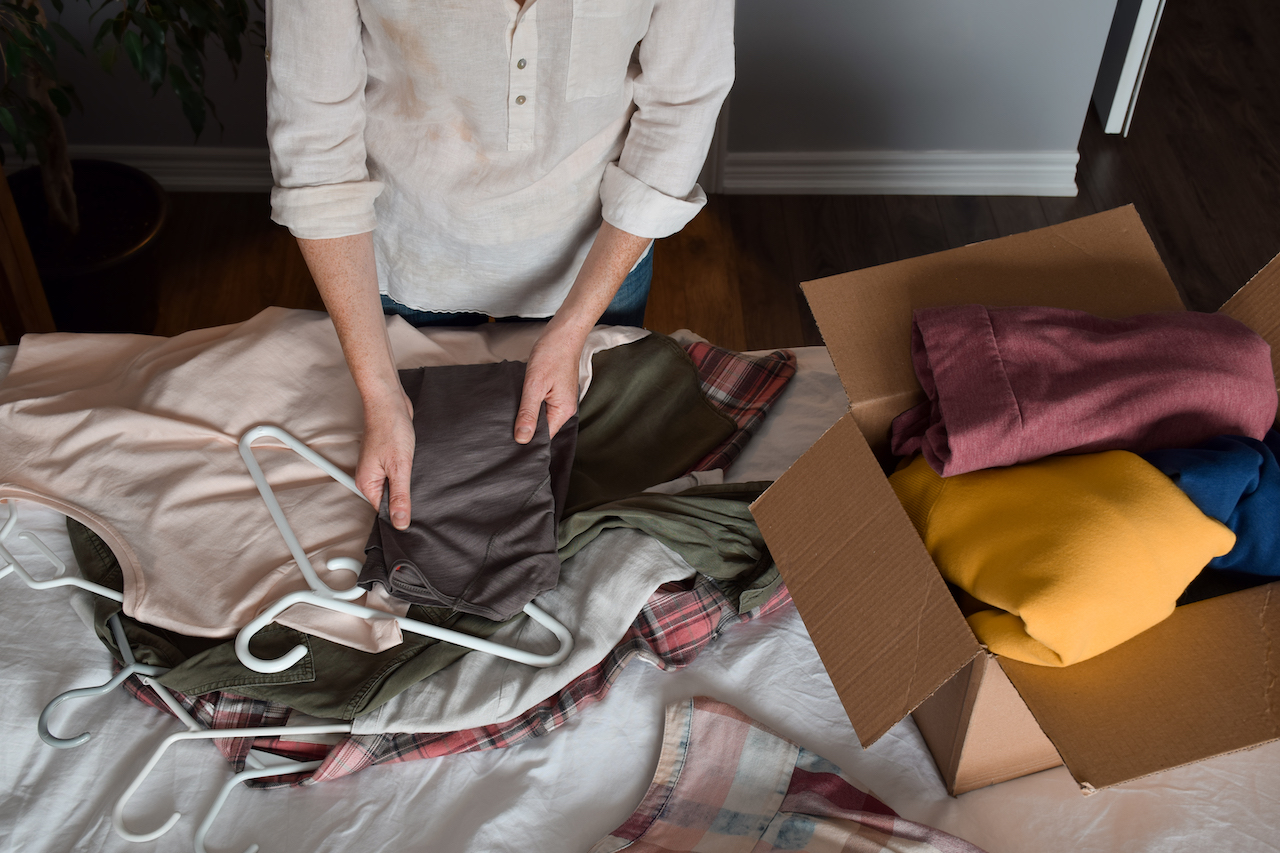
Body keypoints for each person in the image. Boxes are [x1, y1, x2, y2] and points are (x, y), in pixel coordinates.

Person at [264, 0, 734, 531]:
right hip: (411, 245)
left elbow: (682, 104)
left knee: (584, 473)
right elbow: (316, 146)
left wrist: (576, 324)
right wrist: (379, 394)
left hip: (593, 250)